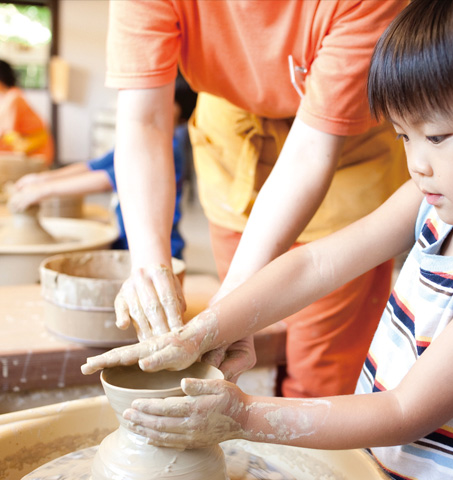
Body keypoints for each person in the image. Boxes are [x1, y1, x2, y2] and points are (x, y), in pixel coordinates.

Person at [82, 0, 453, 478]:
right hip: (379, 465)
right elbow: (317, 266)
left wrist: (241, 416)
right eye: (404, 135)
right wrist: (208, 328)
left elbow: (404, 412)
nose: (416, 162)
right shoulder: (433, 200)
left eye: (438, 137)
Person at [105, 1, 410, 394]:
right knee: (229, 347)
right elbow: (143, 121)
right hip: (233, 140)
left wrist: (235, 300)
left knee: (317, 367)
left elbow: (308, 153)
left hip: (340, 150)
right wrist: (149, 265)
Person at [9, 74, 197, 260]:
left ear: (179, 111)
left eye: (161, 100)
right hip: (128, 239)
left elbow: (107, 179)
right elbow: (93, 166)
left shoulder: (169, 148)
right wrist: (43, 178)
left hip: (159, 250)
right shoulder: (140, 143)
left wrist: (43, 191)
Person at [0, 59, 54, 165]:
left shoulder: (13, 97)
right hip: (26, 146)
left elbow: (6, 130)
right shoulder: (8, 96)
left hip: (35, 151)